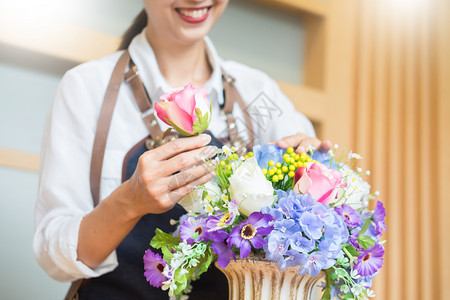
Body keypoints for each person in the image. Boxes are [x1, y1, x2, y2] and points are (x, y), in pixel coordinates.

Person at [33, 0, 331, 299]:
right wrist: (129, 202)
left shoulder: (258, 95)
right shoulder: (86, 89)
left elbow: (311, 222)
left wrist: (307, 166)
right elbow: (56, 258)